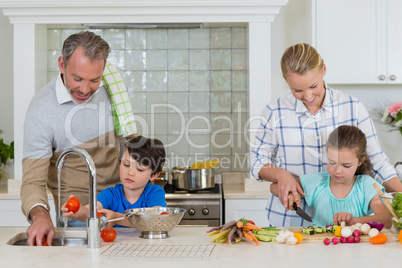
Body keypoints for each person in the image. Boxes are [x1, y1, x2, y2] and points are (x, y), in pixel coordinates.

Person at [250, 43, 402, 227]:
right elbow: (256, 162)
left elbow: (377, 162)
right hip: (289, 220)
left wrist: (400, 197)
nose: (307, 96)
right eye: (297, 90)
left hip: (346, 223)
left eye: (313, 86)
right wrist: (281, 175)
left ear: (323, 70)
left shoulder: (352, 107)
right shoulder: (275, 111)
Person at [20, 31, 136, 246]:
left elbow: (129, 140)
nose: (85, 89)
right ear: (62, 65)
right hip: (76, 219)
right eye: (77, 78)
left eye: (94, 80)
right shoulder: (41, 110)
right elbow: (32, 182)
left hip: (122, 210)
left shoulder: (113, 85)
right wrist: (40, 215)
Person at [270, 126, 392, 228]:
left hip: (356, 250)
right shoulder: (318, 182)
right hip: (319, 248)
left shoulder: (367, 185)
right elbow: (274, 187)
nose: (338, 171)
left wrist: (354, 221)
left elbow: (387, 219)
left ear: (360, 161)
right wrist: (289, 194)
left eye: (346, 165)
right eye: (332, 163)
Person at [62, 135, 166, 228]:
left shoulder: (154, 193)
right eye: (126, 165)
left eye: (139, 169)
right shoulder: (111, 194)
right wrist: (78, 211)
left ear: (154, 175)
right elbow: (90, 212)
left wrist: (118, 218)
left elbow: (156, 220)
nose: (130, 173)